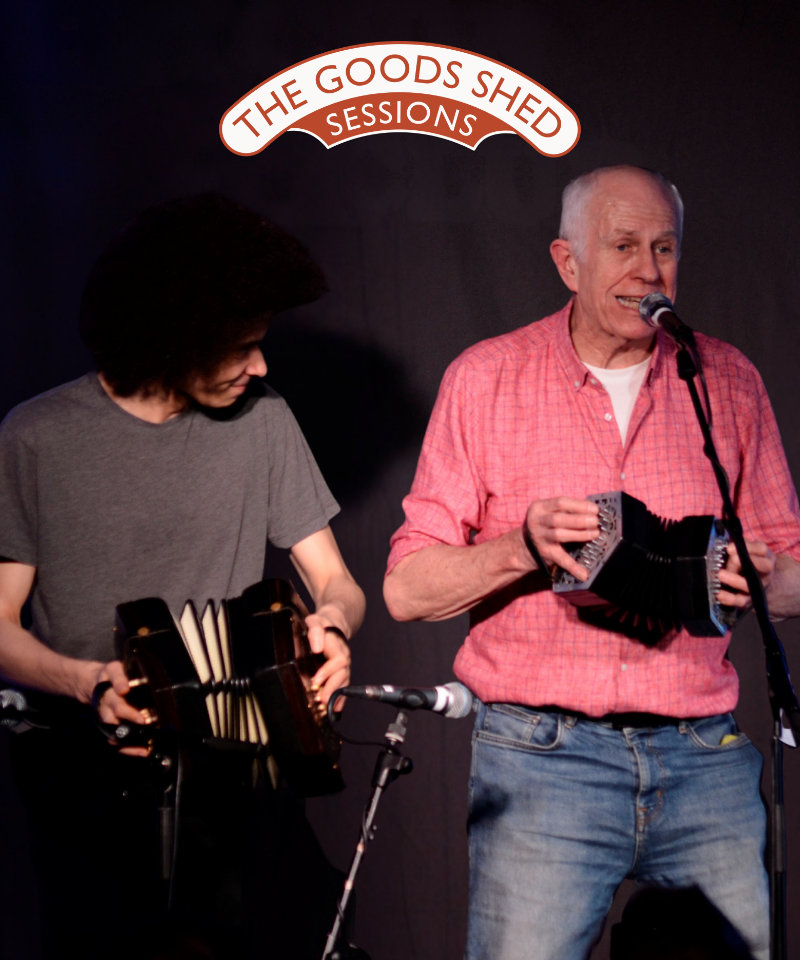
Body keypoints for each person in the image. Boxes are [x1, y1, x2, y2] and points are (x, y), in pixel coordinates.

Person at [383, 165, 800, 960]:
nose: (649, 271)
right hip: (544, 763)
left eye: (665, 247)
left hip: (705, 759)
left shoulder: (727, 380)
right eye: (623, 247)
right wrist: (523, 546)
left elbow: (794, 566)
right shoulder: (485, 378)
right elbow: (407, 589)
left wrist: (766, 574)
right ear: (568, 263)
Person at [0, 193, 365, 959]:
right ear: (170, 340)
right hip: (88, 777)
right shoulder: (35, 437)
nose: (260, 365)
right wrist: (84, 682)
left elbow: (336, 580)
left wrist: (334, 623)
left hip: (234, 766)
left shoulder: (264, 420)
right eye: (240, 347)